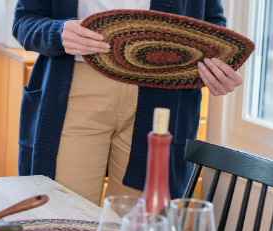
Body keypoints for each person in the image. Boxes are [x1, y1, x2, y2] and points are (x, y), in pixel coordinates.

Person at [13, 0, 244, 205]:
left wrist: (218, 66)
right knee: (66, 217)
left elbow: (211, 23)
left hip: (163, 98)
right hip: (75, 89)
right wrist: (57, 32)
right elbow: (24, 21)